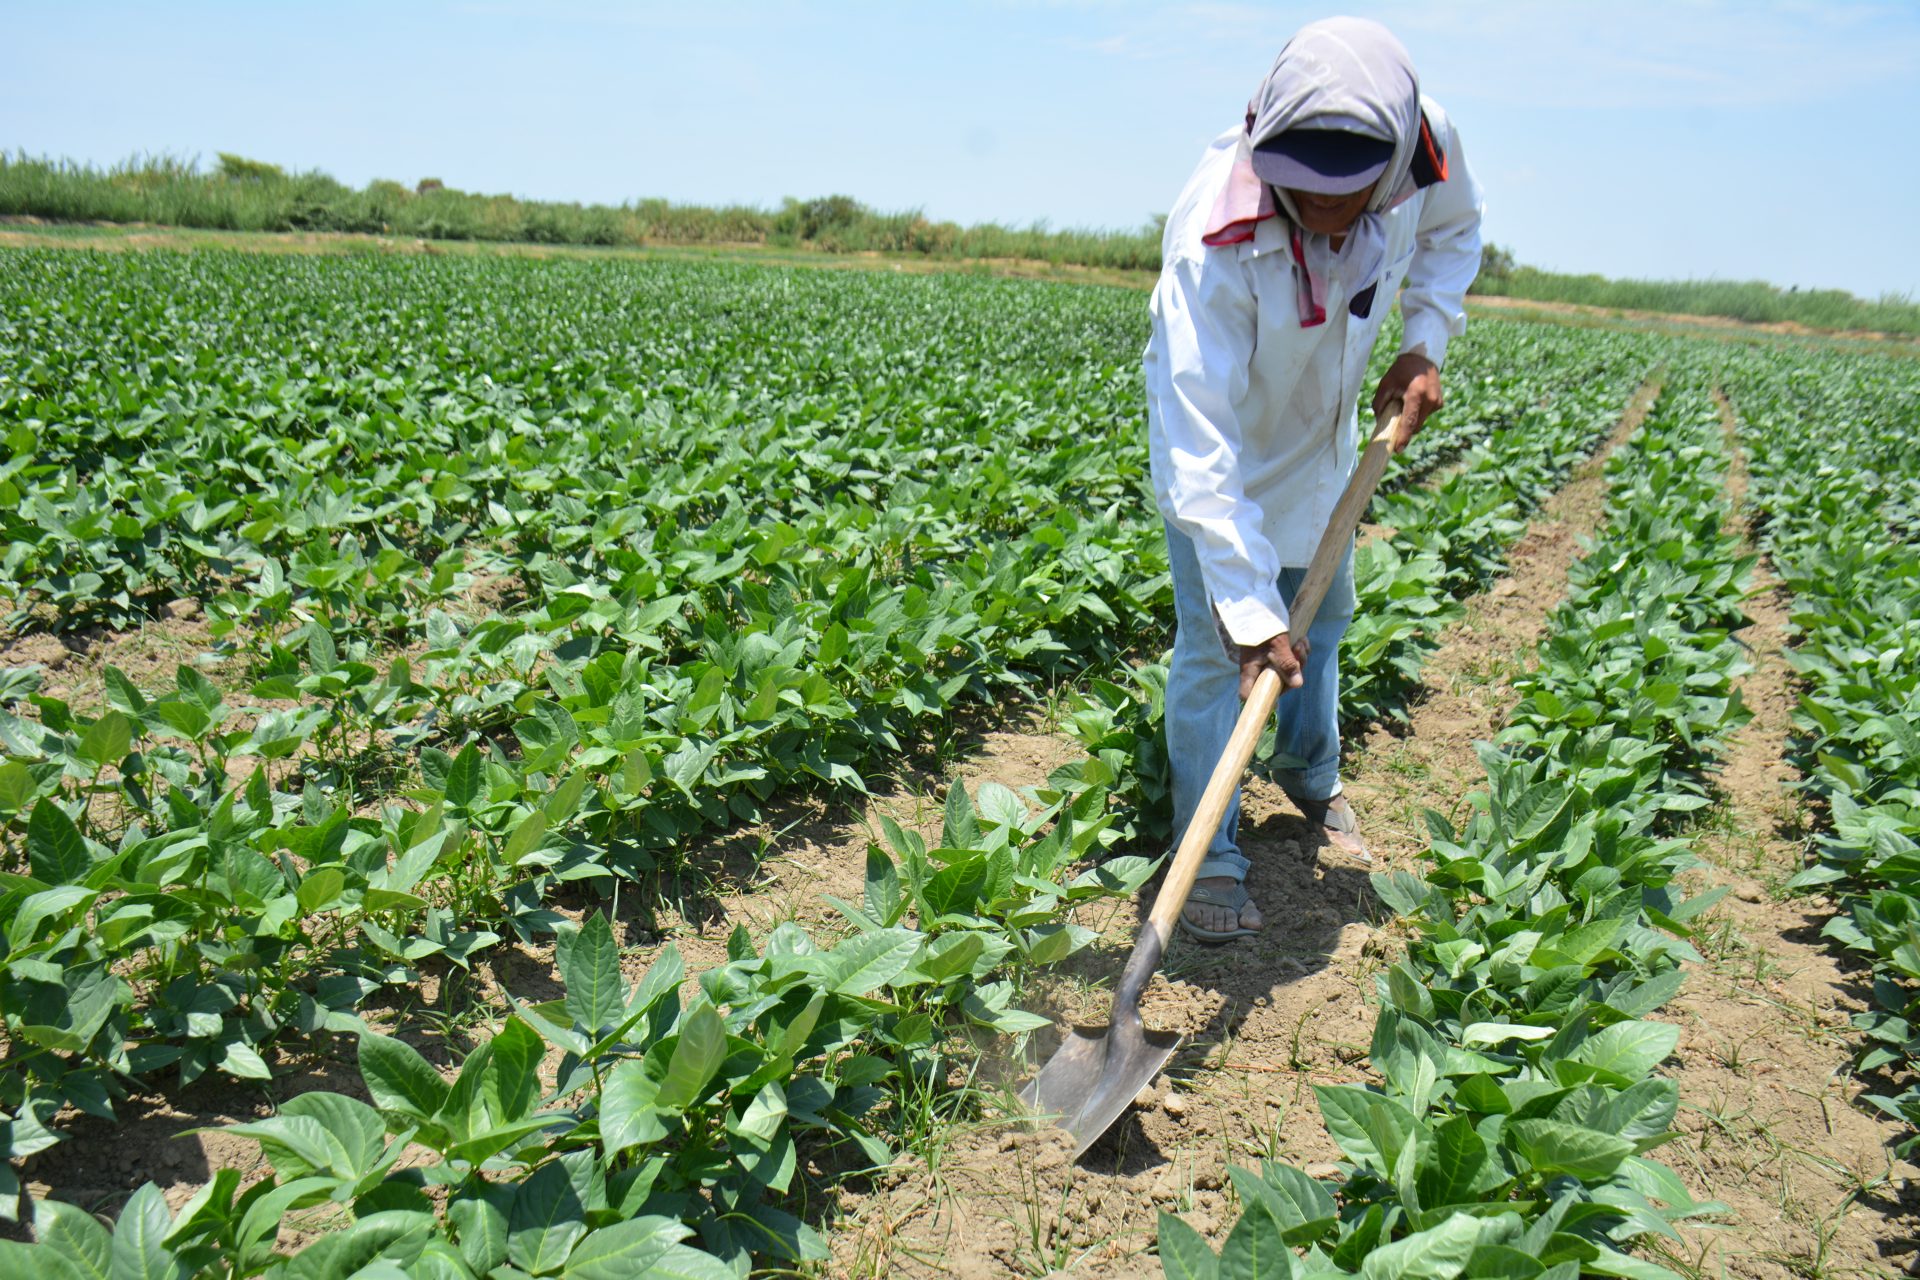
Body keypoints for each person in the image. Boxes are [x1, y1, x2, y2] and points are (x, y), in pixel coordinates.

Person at [1144, 16, 1484, 942]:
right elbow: (1199, 442)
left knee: (1324, 615)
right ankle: (1207, 855)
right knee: (1217, 650)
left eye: (1348, 196)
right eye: (1304, 194)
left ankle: (1310, 772)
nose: (1327, 212)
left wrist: (1424, 341)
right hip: (1225, 451)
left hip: (1328, 436)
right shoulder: (1211, 243)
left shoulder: (1424, 145)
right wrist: (1248, 613)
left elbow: (1455, 232)